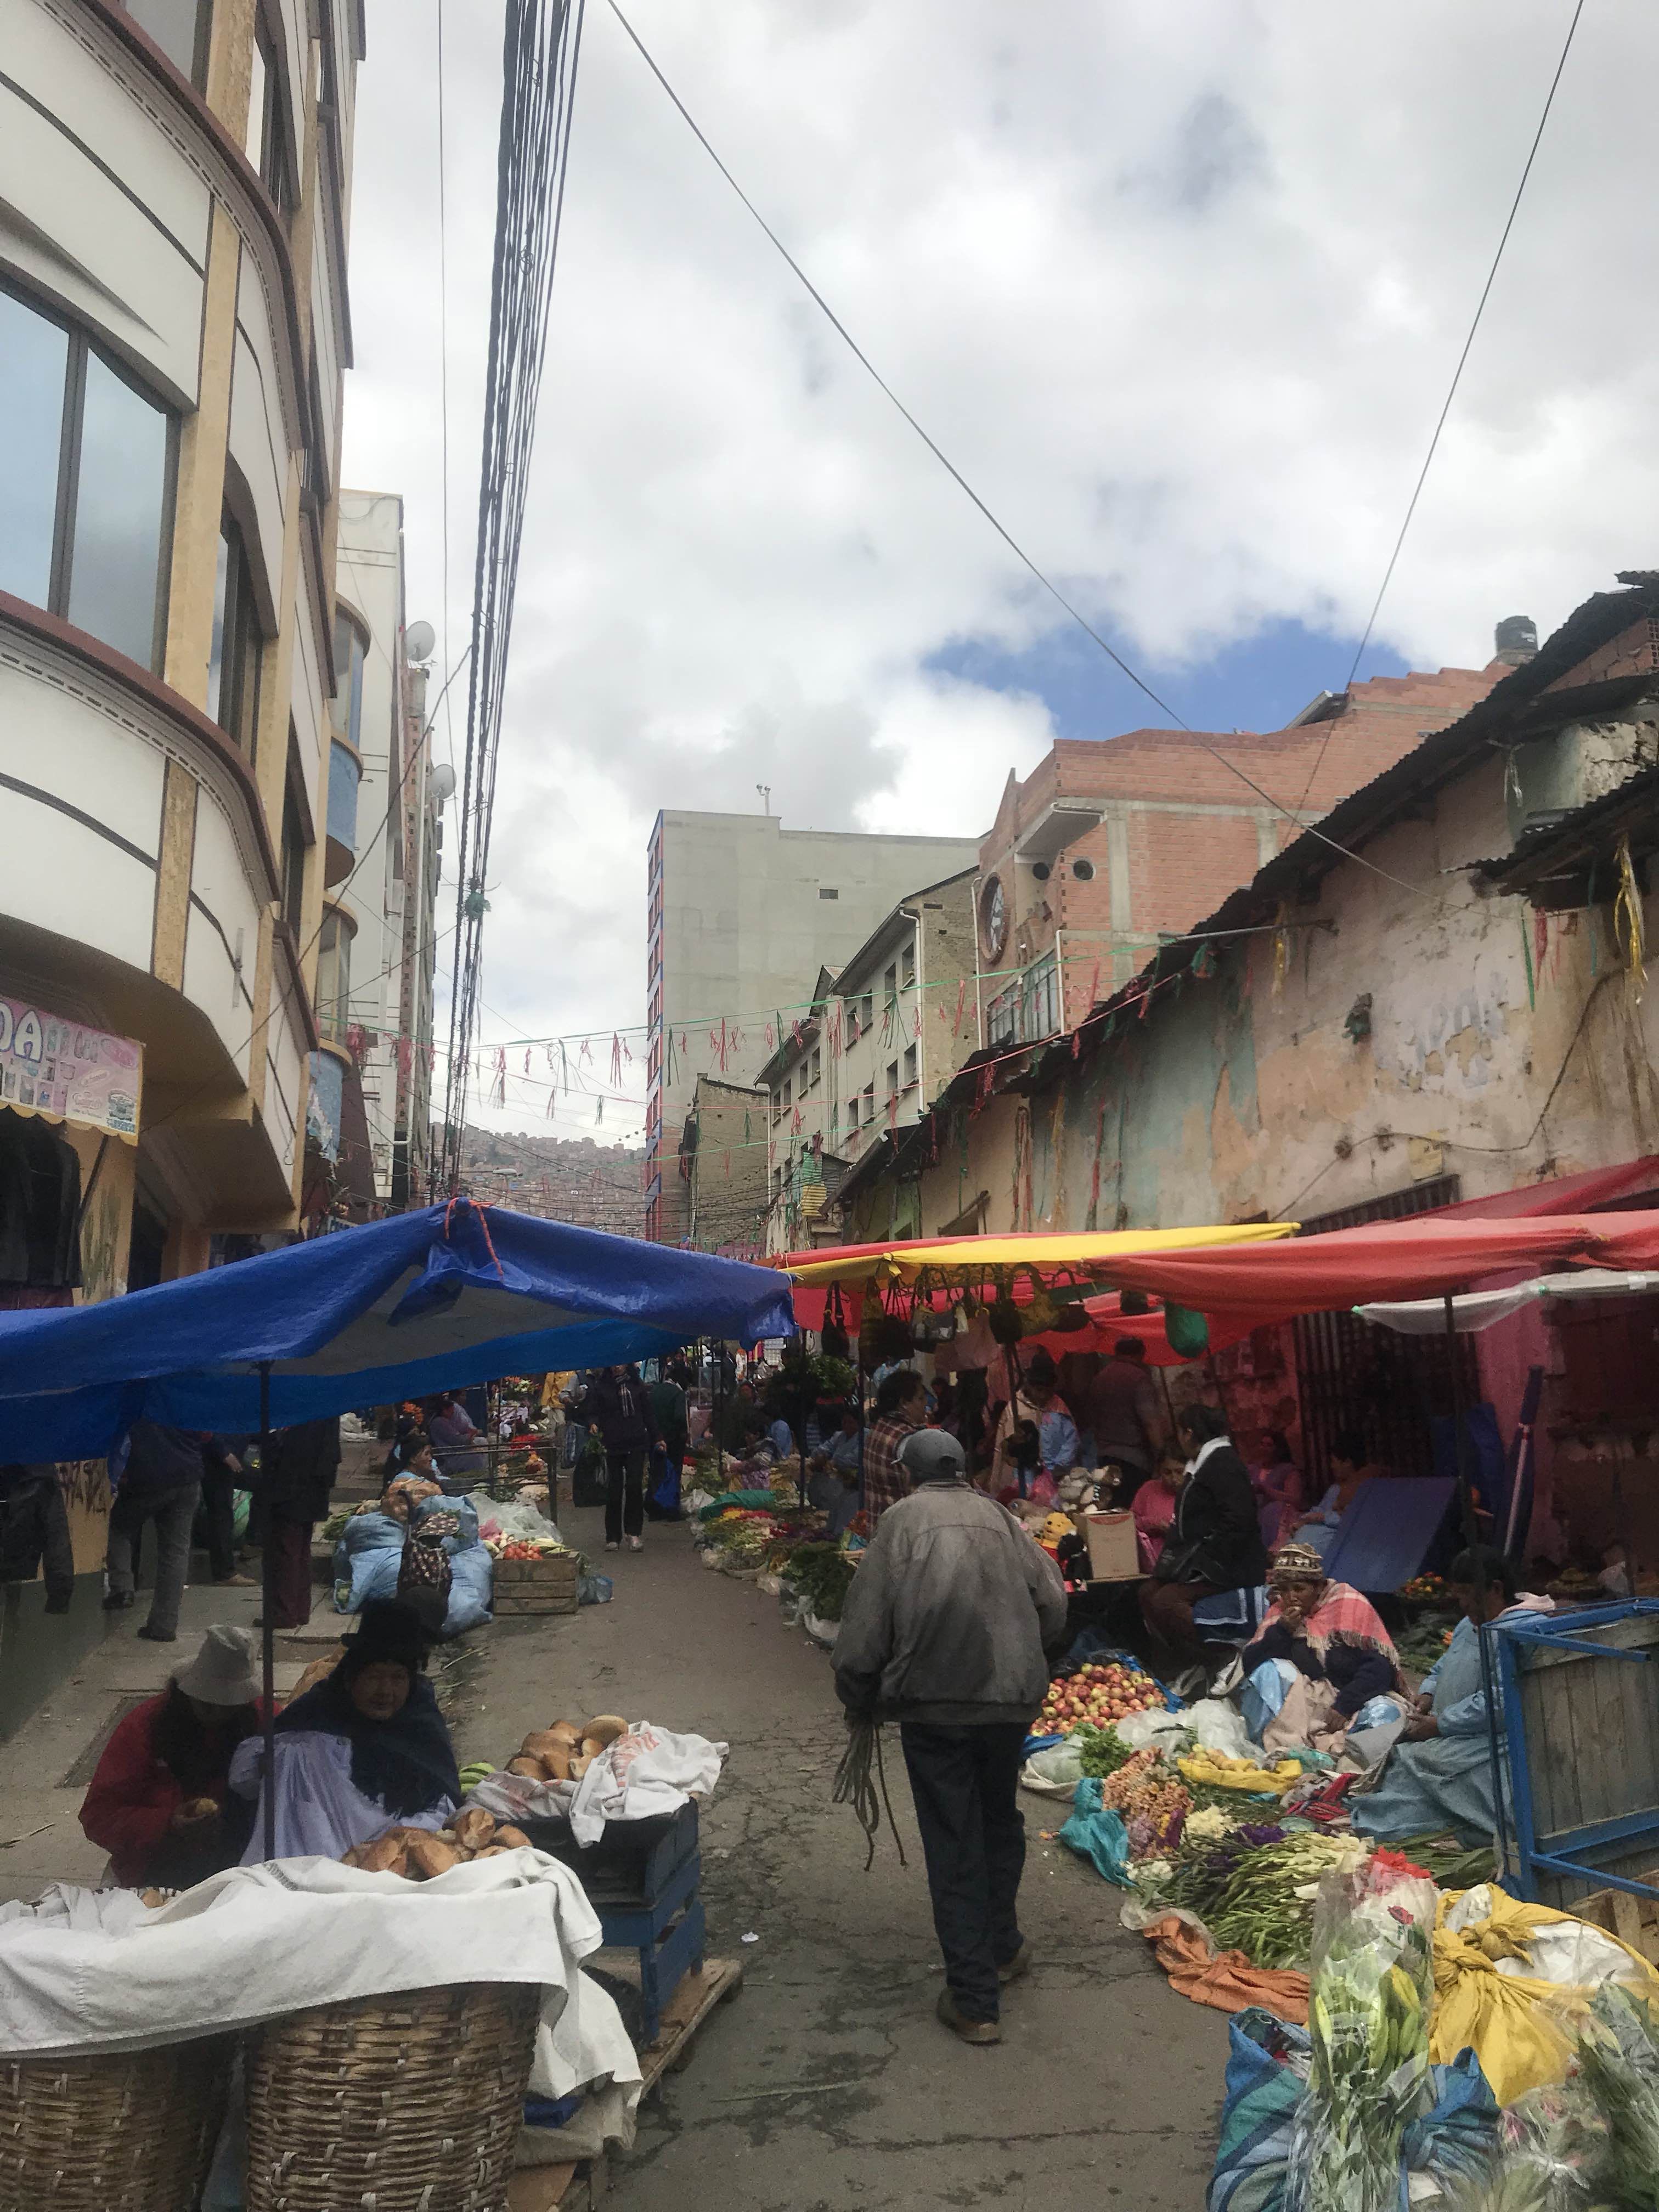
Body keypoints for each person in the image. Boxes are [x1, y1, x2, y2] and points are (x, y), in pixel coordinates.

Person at [832, 1428, 1068, 2045]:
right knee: (997, 1820)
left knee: (953, 1839)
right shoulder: (997, 1515)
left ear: (908, 1474)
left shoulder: (903, 1522)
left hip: (936, 1705)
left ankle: (974, 2000)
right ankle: (1003, 1945)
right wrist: (1018, 1653)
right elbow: (1055, 1605)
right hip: (1009, 1701)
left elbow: (863, 1631)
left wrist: (859, 1696)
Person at [230, 1600, 461, 1863]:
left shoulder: (420, 1724)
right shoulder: (313, 1719)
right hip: (305, 1865)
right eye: (374, 1677)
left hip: (390, 1867)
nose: (385, 1691)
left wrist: (397, 1839)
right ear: (351, 1679)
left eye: (398, 1678)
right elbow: (243, 1776)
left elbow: (443, 1797)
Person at [1354, 1549, 1527, 1846]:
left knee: (1415, 1760)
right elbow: (1442, 1666)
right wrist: (1428, 1692)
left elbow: (1501, 1701)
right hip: (1451, 1732)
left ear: (1496, 1589)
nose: (1462, 1604)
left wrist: (1441, 1724)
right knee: (1401, 1755)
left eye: (1468, 1595)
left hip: (1491, 1740)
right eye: (1458, 1594)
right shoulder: (1468, 1625)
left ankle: (1434, 1831)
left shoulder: (1519, 1630)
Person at [80, 1624, 267, 1888]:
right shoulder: (145, 1724)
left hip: (241, 1867)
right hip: (156, 1866)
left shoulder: (266, 1721)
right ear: (186, 1693)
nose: (216, 1715)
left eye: (227, 1707)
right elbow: (99, 1815)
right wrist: (167, 1823)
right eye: (206, 1704)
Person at [1138, 1403, 1267, 1685]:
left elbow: (1239, 1521)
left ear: (1188, 1433)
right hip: (1203, 1560)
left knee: (1167, 1602)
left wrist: (1206, 1558)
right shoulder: (1203, 1463)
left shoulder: (1223, 1463)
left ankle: (1222, 1659)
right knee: (1147, 1592)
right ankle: (1180, 1666)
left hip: (1231, 1565)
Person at [1239, 1542, 1406, 1746]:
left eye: (1299, 1589)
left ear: (1318, 1587)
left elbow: (1380, 1667)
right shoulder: (1279, 1614)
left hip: (1353, 1699)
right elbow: (1249, 1664)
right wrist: (1282, 1631)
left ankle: (1349, 1760)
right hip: (1305, 1704)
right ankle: (1275, 1745)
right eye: (1284, 1590)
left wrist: (1344, 1705)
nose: (1291, 1597)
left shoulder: (1348, 1604)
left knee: (1385, 1712)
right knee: (1267, 1670)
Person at [105, 1421, 213, 1643]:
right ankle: (164, 1625)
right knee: (176, 1552)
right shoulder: (185, 1391)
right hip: (188, 1474)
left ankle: (122, 1588)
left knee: (120, 1527)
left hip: (149, 1474)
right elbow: (206, 1433)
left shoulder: (141, 1391)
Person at [255, 1417, 341, 1631]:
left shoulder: (303, 1410)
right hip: (312, 1486)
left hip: (292, 1486)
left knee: (287, 1551)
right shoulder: (326, 1409)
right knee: (300, 1550)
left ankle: (284, 1612)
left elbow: (288, 1446)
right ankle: (299, 1609)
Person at [586, 1363, 659, 1553]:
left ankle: (633, 1533)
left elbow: (648, 1413)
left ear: (628, 1365)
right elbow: (593, 1410)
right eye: (614, 1364)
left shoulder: (637, 1385)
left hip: (636, 1442)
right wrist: (593, 1423)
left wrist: (658, 1437)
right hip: (613, 1443)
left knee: (634, 1486)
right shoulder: (601, 1387)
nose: (617, 1367)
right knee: (614, 1490)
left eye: (621, 1364)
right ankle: (613, 1536)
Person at [1085, 1338, 1168, 1502]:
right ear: (1141, 1355)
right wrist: (1162, 1455)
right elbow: (1151, 1422)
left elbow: (1092, 1418)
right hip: (1134, 1460)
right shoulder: (1139, 1378)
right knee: (1133, 1508)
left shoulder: (1099, 1379)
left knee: (1111, 1507)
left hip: (1105, 1457)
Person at [990, 1351, 1077, 1497]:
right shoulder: (1015, 1409)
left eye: (1048, 1391)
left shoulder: (1060, 1408)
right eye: (1039, 1390)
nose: (1043, 1396)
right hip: (1022, 1478)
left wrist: (1059, 1465)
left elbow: (1071, 1441)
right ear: (1028, 1386)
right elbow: (1005, 1451)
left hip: (1055, 1479)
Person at [1295, 1429, 1381, 1557]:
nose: (1332, 1467)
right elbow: (1319, 1509)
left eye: (1334, 1462)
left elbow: (1356, 1519)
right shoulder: (1334, 1490)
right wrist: (1303, 1521)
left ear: (1347, 1463)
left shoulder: (1365, 1489)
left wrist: (1325, 1518)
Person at [863, 1369, 928, 1526]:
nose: (926, 1404)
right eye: (920, 1399)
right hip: (901, 1534)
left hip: (879, 1529)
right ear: (904, 1403)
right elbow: (921, 1496)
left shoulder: (879, 1427)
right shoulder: (907, 1440)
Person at [199, 1435, 256, 1590]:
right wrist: (223, 1453)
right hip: (217, 1457)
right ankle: (224, 1572)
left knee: (261, 1483)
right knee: (221, 1514)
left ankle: (254, 1541)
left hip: (231, 1453)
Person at [808, 1409, 862, 1538]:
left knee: (848, 1512)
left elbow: (854, 1458)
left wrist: (833, 1462)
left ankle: (841, 1536)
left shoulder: (865, 1436)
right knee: (836, 1508)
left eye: (851, 1422)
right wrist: (822, 1456)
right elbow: (823, 1449)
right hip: (840, 1482)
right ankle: (833, 1534)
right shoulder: (840, 1436)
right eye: (844, 1422)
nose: (847, 1426)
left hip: (856, 1483)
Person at [648, 1361, 690, 1518]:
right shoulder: (677, 1394)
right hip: (673, 1440)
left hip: (655, 1438)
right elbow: (680, 1417)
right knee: (673, 1474)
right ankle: (671, 1509)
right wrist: (683, 1433)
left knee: (657, 1472)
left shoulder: (655, 1391)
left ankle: (655, 1508)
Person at [1132, 1451, 1185, 1571]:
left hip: (1181, 1564)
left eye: (1179, 1472)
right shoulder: (1149, 1489)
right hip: (1147, 1562)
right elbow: (1129, 1523)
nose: (1174, 1479)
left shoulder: (1195, 1494)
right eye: (1167, 1473)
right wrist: (1152, 1523)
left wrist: (1171, 1531)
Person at [1251, 1430, 1304, 1549]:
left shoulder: (1288, 1470)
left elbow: (1295, 1499)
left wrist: (1266, 1490)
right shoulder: (1252, 1469)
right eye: (1262, 1444)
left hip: (1275, 1522)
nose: (1264, 1449)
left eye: (1269, 1445)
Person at [426, 1392, 486, 1477]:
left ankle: (485, 1471)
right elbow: (457, 1440)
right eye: (451, 1412)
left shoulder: (445, 1420)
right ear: (444, 1410)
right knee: (476, 1456)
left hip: (458, 1449)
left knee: (482, 1442)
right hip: (451, 1456)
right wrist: (471, 1434)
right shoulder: (439, 1422)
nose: (453, 1414)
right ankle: (480, 1476)